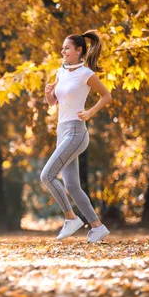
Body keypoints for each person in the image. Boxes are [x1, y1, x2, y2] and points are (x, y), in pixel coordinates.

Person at [41, 30, 112, 243]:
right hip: (62, 131)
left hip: (76, 132)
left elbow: (107, 96)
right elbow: (53, 102)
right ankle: (97, 227)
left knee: (47, 176)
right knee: (71, 185)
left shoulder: (86, 74)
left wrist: (90, 112)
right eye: (62, 48)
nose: (63, 51)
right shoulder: (61, 72)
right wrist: (48, 93)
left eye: (67, 48)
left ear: (79, 50)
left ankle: (70, 218)